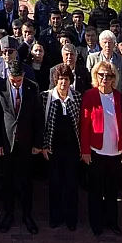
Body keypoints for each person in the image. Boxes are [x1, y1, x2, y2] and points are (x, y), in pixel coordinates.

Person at [82, 60, 122, 237]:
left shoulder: (120, 98)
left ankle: (112, 221)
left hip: (115, 152)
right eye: (101, 75)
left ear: (114, 78)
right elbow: (85, 124)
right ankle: (96, 223)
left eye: (108, 76)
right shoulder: (89, 95)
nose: (105, 78)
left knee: (112, 190)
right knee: (95, 189)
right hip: (96, 150)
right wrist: (85, 150)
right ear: (96, 76)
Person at [0, 57, 40, 234]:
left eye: (18, 80)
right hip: (6, 144)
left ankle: (27, 215)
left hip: (26, 144)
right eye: (12, 81)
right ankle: (8, 214)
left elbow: (38, 117)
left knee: (26, 181)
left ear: (23, 75)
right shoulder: (0, 88)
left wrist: (37, 143)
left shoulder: (31, 88)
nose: (15, 84)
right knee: (7, 181)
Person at [39, 64, 82, 232]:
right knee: (55, 183)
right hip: (53, 147)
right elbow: (41, 124)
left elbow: (81, 123)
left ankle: (71, 218)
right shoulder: (46, 97)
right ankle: (55, 217)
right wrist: (43, 146)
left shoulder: (77, 97)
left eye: (66, 79)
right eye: (60, 79)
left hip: (72, 147)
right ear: (55, 80)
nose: (63, 82)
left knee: (71, 184)